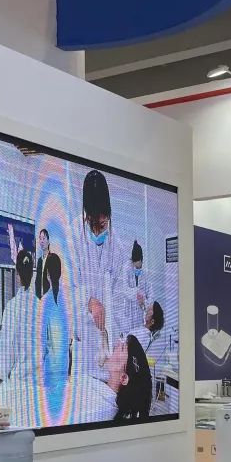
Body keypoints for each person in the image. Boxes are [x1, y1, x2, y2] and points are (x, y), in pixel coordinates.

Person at [76, 169, 124, 382]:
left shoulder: (117, 246)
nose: (98, 230)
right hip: (84, 345)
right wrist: (88, 301)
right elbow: (66, 288)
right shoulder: (73, 237)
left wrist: (116, 340)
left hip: (109, 343)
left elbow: (120, 299)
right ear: (87, 215)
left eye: (103, 224)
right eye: (94, 224)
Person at [0, 248, 41, 427]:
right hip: (39, 386)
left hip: (18, 386)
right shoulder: (41, 307)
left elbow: (6, 349)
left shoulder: (11, 307)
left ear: (17, 275)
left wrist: (4, 377)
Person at [85, 334, 154, 423]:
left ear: (123, 378)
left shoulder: (97, 410)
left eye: (122, 347)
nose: (117, 342)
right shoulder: (103, 384)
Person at [119, 240, 152, 334]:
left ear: (142, 260)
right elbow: (124, 290)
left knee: (139, 336)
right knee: (129, 337)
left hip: (140, 314)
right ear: (132, 262)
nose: (138, 268)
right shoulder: (126, 269)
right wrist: (137, 293)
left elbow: (150, 293)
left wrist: (144, 303)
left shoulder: (144, 273)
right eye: (136, 267)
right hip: (128, 315)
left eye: (140, 265)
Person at [35, 228, 62, 302]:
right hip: (40, 301)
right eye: (40, 238)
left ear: (48, 241)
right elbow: (37, 281)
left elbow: (55, 279)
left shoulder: (54, 258)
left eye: (44, 238)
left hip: (51, 300)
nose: (42, 241)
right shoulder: (39, 261)